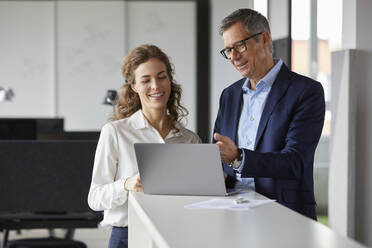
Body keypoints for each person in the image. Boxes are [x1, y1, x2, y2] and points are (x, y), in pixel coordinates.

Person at [213, 9, 325, 220]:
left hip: (285, 214)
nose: (234, 57)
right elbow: (218, 157)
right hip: (232, 213)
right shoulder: (229, 95)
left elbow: (295, 161)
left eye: (239, 46)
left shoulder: (306, 91)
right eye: (228, 50)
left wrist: (238, 158)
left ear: (264, 39)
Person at [88, 44, 201, 248]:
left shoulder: (189, 139)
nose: (156, 86)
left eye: (161, 77)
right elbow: (95, 198)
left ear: (169, 80)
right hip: (128, 237)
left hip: (177, 236)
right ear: (134, 86)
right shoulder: (115, 132)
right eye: (146, 80)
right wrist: (126, 185)